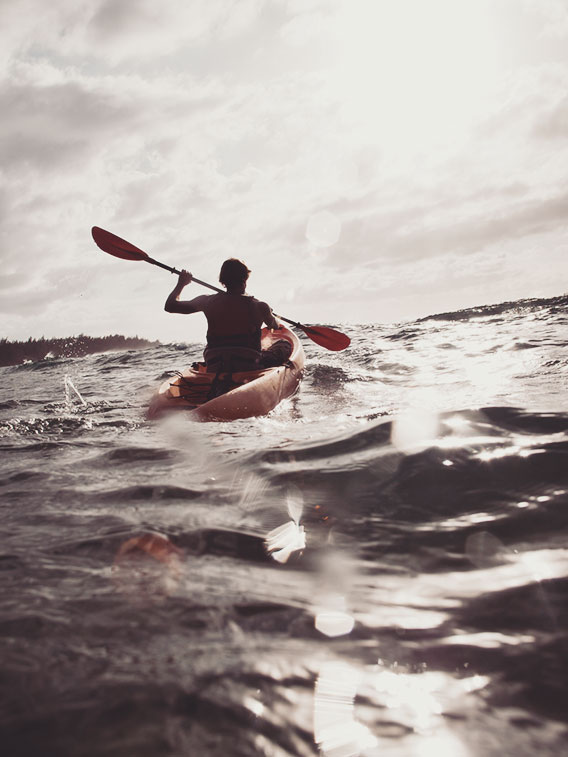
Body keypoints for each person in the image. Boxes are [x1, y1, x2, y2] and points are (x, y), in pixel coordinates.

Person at [164, 258, 292, 373]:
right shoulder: (259, 306)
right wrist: (269, 313)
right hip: (248, 366)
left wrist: (181, 283)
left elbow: (170, 306)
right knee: (284, 344)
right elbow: (274, 326)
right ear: (244, 279)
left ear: (222, 280)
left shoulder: (207, 302)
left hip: (215, 365)